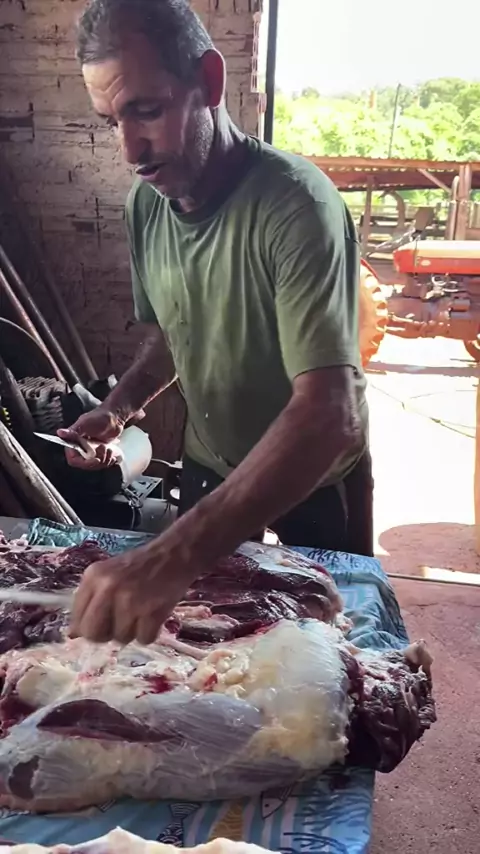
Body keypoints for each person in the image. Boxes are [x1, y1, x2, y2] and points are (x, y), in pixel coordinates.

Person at [61, 0, 374, 645]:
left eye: (148, 110)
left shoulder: (296, 205)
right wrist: (116, 410)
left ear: (208, 81)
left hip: (315, 480)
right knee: (209, 652)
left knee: (334, 648)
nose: (130, 150)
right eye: (112, 121)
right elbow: (171, 337)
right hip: (210, 464)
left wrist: (173, 552)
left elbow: (329, 412)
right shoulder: (146, 205)